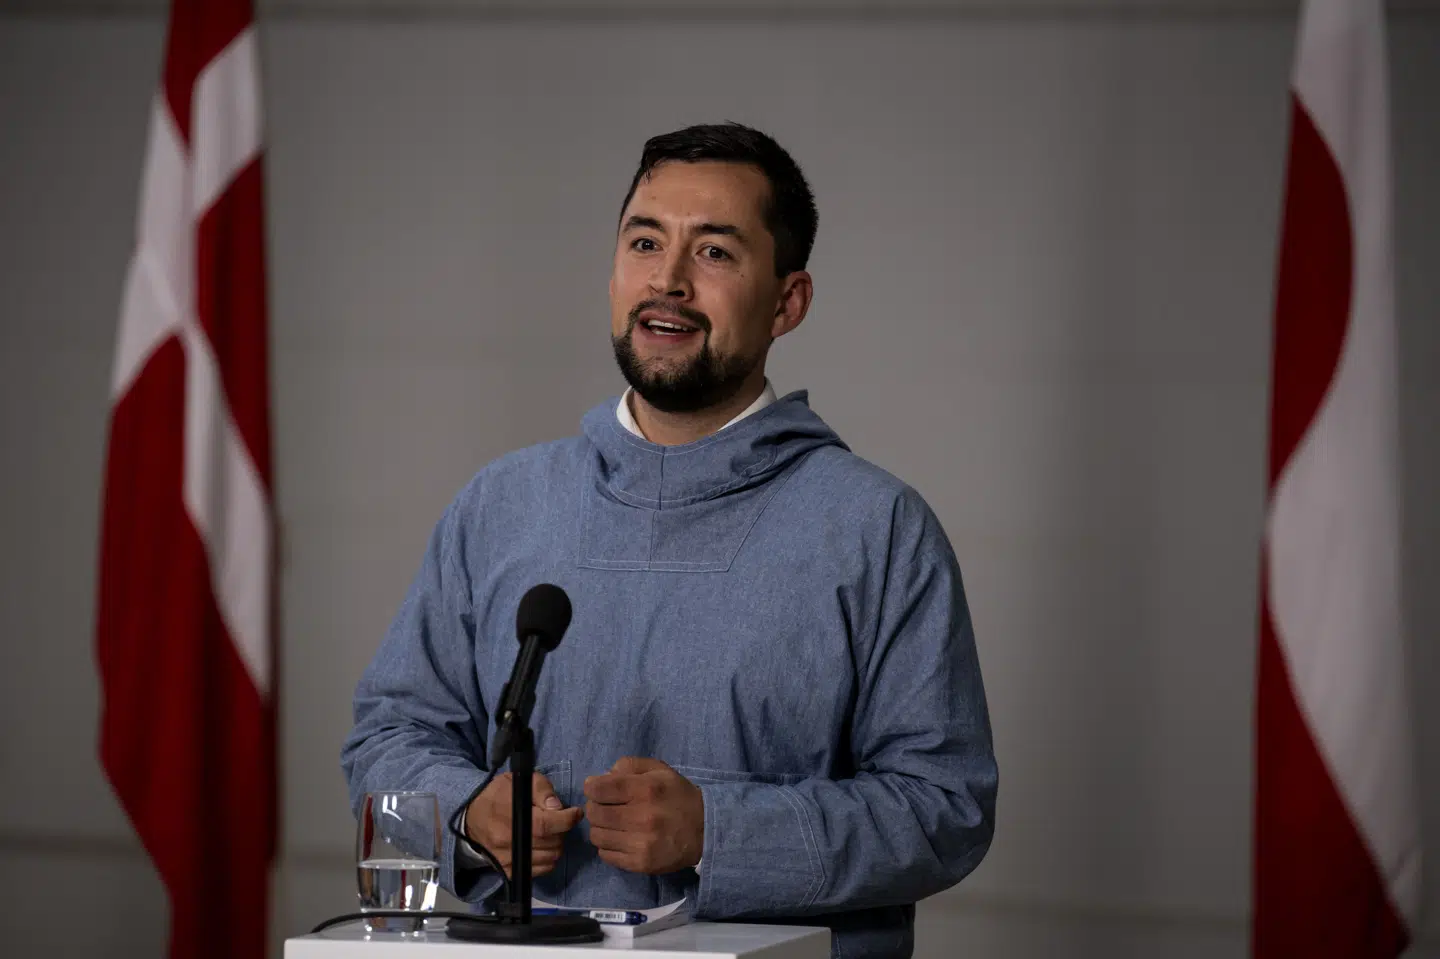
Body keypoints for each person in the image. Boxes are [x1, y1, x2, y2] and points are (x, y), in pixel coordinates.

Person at [341, 122, 997, 959]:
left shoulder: (875, 528)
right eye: (645, 242)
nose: (669, 281)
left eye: (716, 253)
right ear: (613, 272)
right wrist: (469, 810)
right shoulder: (501, 504)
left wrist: (720, 831)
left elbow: (947, 806)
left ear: (788, 301)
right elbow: (389, 732)